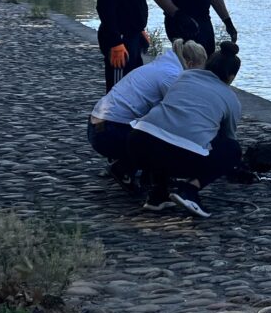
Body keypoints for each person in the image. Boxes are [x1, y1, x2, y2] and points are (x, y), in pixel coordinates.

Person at [87, 15, 207, 188]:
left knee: (153, 122)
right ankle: (129, 170)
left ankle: (140, 171)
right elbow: (179, 116)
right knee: (165, 135)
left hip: (96, 125)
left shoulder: (163, 64)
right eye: (198, 71)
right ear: (189, 63)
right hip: (109, 133)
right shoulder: (172, 77)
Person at [126, 42, 243, 217]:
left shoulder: (183, 77)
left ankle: (158, 194)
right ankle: (189, 190)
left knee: (165, 132)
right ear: (231, 76)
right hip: (181, 155)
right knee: (232, 150)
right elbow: (229, 136)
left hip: (137, 142)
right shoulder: (230, 98)